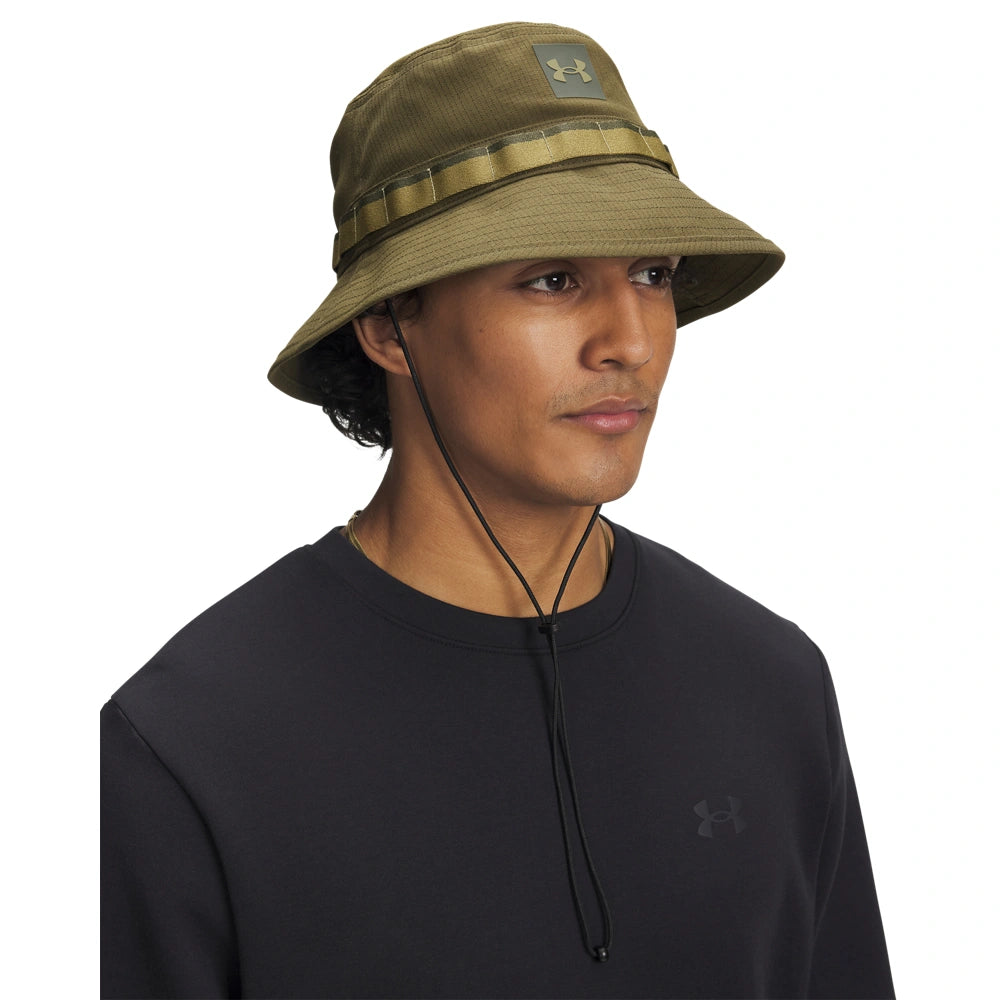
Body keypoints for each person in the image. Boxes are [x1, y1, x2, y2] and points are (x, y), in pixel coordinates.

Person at [100, 21, 894, 999]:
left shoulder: (770, 686)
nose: (630, 341)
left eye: (652, 275)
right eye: (553, 280)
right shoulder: (190, 745)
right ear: (388, 325)